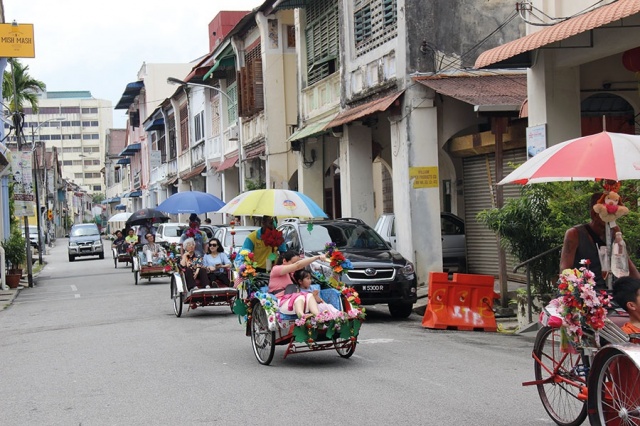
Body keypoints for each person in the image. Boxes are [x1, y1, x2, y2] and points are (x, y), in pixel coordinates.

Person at [560, 192, 640, 289]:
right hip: (585, 291)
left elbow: (629, 269)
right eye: (608, 213)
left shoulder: (614, 233)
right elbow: (565, 271)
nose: (612, 217)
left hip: (612, 291)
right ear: (594, 214)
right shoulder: (575, 234)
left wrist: (618, 242)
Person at [268, 250, 327, 317]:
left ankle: (318, 316)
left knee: (309, 295)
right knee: (299, 296)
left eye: (298, 261)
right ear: (284, 261)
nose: (297, 264)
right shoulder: (276, 269)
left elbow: (299, 266)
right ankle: (302, 316)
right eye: (294, 263)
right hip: (281, 303)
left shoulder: (292, 274)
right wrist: (317, 257)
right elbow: (297, 265)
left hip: (296, 302)